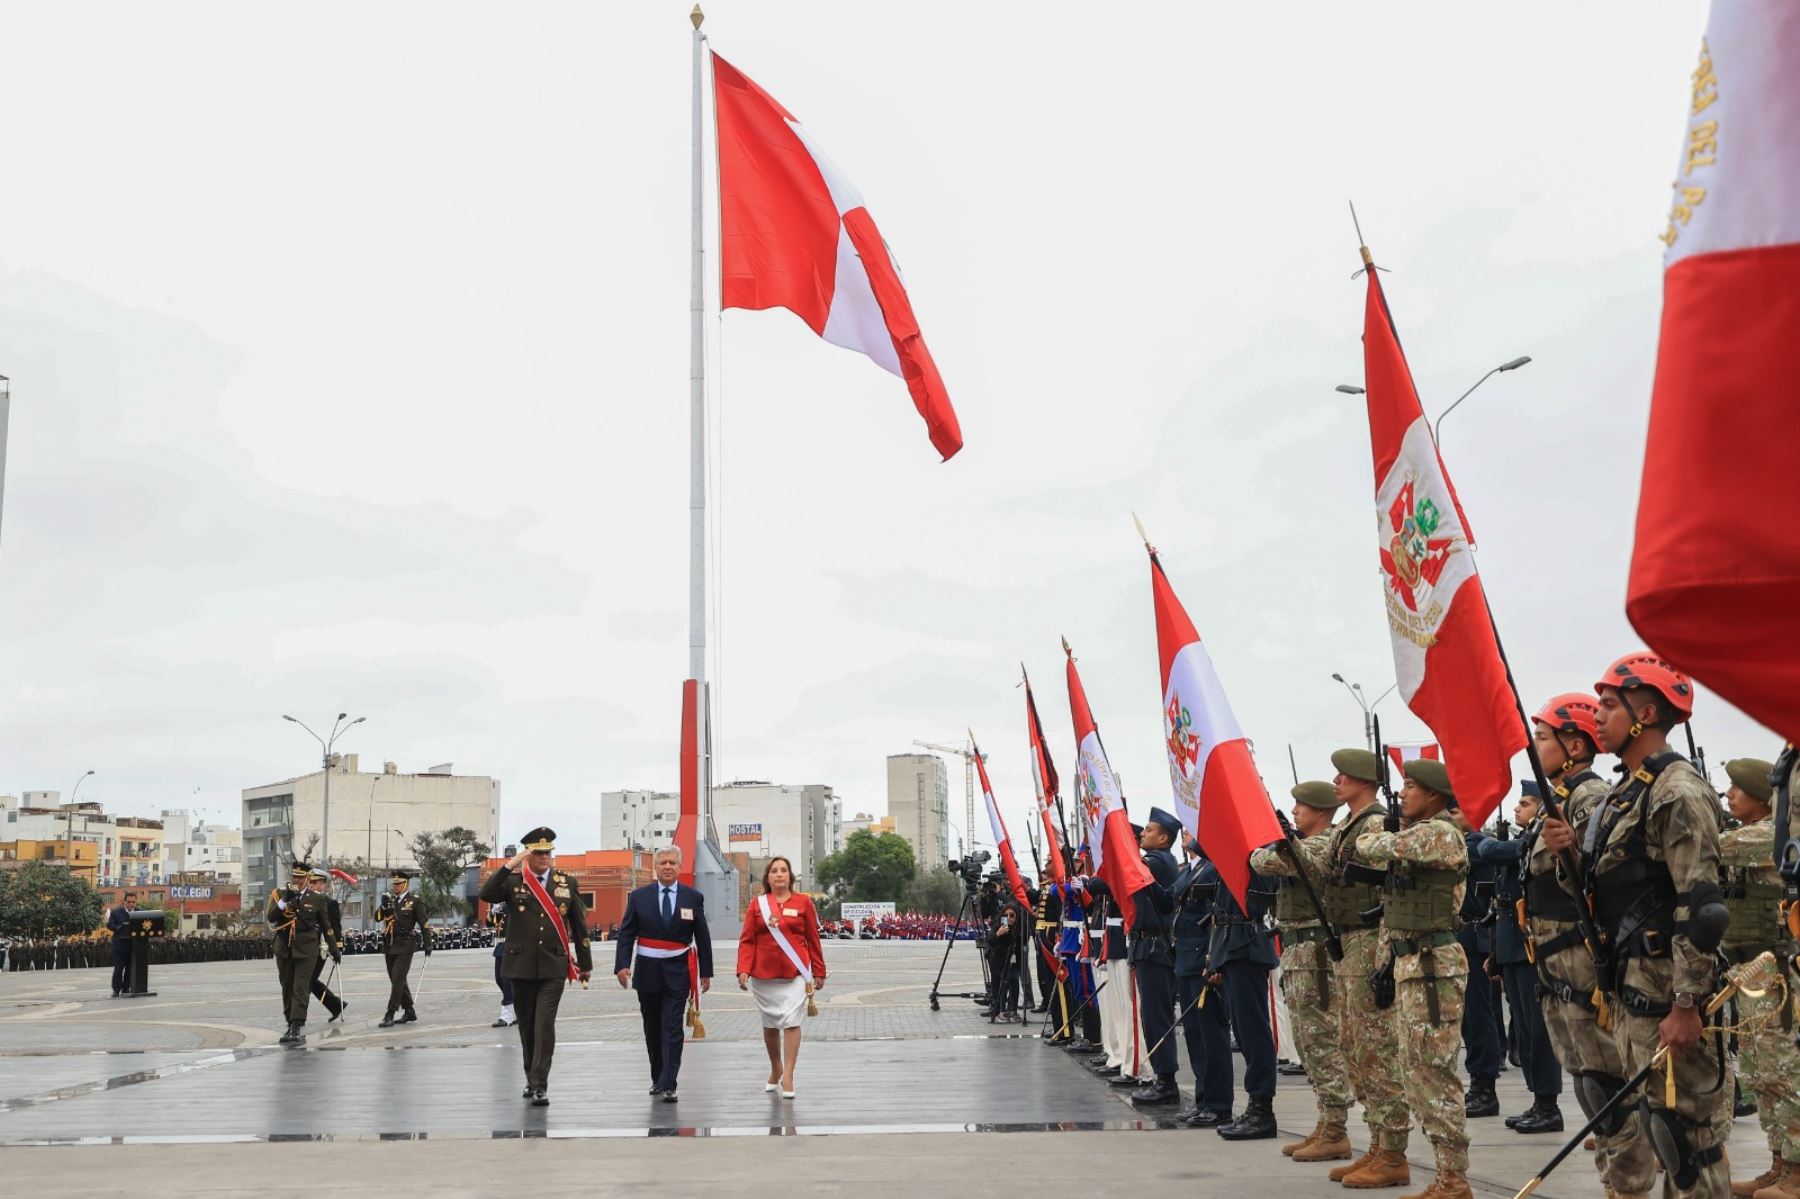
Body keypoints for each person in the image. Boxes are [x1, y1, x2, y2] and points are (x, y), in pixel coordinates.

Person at [1540, 654, 1729, 1199]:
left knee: (1687, 1139)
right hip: (1632, 990)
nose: (1596, 716)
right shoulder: (1628, 793)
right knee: (1655, 1122)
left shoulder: (1676, 790)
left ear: (1645, 714)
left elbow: (1702, 906)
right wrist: (1566, 854)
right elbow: (1608, 889)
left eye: (1608, 705)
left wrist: (1687, 1003)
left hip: (1669, 991)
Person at [1356, 758, 1473, 1199]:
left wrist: (1380, 829)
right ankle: (1446, 1176)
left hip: (1432, 969)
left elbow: (1370, 848)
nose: (1403, 793)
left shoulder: (1440, 833)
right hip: (1412, 966)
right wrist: (1385, 962)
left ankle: (1454, 1179)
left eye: (1410, 786)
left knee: (1433, 1073)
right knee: (1415, 1069)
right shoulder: (1416, 836)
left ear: (1435, 796)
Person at [1315, 748, 1413, 1189]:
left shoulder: (1374, 824)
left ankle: (1392, 1151)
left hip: (1368, 940)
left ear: (1361, 780)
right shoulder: (1349, 825)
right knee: (1356, 1046)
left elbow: (1386, 885)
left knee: (1375, 1047)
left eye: (1343, 775)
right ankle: (1377, 1143)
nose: (1336, 781)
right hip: (1348, 941)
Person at [1253, 780, 1355, 1161]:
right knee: (1309, 1042)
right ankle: (1327, 1122)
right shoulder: (1303, 843)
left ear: (1320, 811)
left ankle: (1336, 1129)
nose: (1295, 812)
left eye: (1301, 807)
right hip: (1299, 949)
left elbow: (1264, 861)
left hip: (1315, 952)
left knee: (1320, 1040)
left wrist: (1267, 842)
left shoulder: (1322, 844)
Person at [1716, 756, 1800, 1199]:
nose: (1728, 794)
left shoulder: (1769, 835)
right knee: (1761, 1074)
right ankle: (1779, 1166)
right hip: (1751, 969)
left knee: (1784, 1072)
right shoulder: (1747, 834)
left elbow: (1713, 845)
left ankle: (1797, 1173)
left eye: (1736, 788)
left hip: (1776, 970)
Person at [479, 827, 593, 1105]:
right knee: (527, 1027)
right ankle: (531, 1077)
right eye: (538, 853)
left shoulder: (566, 883)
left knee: (544, 1025)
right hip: (520, 965)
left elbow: (579, 925)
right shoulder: (513, 881)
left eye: (547, 852)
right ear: (529, 854)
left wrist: (585, 964)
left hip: (554, 964)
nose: (544, 857)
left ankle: (540, 1083)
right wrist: (510, 864)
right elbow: (487, 893)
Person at [1472, 784, 1562, 1134]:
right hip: (1511, 943)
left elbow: (1493, 850)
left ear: (1541, 807)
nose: (1517, 809)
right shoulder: (1525, 838)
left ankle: (1548, 1104)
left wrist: (1486, 843)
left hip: (1530, 946)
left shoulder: (1537, 837)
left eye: (1524, 803)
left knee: (1538, 1029)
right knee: (1524, 1029)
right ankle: (1538, 1099)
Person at [615, 845, 714, 1102]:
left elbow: (702, 937)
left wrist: (706, 972)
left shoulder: (693, 898)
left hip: (678, 972)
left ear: (680, 867)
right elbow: (626, 934)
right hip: (647, 972)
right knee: (652, 1028)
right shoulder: (638, 897)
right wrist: (622, 964)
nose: (668, 867)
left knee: (672, 1027)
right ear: (655, 868)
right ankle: (657, 1078)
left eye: (672, 863)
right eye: (663, 863)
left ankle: (670, 1082)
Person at [736, 856, 826, 1098]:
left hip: (795, 973)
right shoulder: (758, 904)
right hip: (763, 975)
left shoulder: (804, 903)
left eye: (783, 870)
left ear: (790, 876)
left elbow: (812, 939)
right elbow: (747, 940)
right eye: (774, 871)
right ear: (768, 877)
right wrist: (743, 969)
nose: (779, 874)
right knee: (770, 1024)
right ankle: (776, 1067)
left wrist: (819, 970)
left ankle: (789, 1075)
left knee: (792, 1021)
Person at [1124, 808, 1182, 1106]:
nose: (1141, 834)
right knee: (1153, 1015)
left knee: (1156, 1017)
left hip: (1155, 948)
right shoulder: (1158, 860)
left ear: (1163, 838)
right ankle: (1163, 1077)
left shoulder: (1157, 860)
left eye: (1147, 830)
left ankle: (1166, 1080)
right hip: (1148, 947)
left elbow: (1128, 867)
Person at [1173, 844, 1232, 1128]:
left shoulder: (1214, 866)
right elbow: (1173, 898)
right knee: (1196, 1037)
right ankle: (1204, 1100)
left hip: (1203, 961)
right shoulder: (1194, 868)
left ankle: (1219, 1105)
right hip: (1186, 959)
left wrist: (1215, 960)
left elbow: (1216, 917)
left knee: (1212, 1036)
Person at [267, 859, 330, 1046]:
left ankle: (296, 1024)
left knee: (300, 987)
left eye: (301, 877)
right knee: (287, 986)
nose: (297, 880)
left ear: (307, 878)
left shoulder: (317, 898)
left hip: (306, 948)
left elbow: (326, 926)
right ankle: (290, 1022)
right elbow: (271, 918)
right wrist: (285, 899)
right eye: (294, 876)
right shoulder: (279, 894)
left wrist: (335, 949)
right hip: (284, 947)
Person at [377, 869, 431, 1028]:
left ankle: (390, 1013)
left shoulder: (415, 901)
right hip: (389, 944)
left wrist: (428, 943)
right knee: (396, 979)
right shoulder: (390, 900)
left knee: (398, 979)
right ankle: (409, 1010)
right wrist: (383, 906)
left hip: (406, 944)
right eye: (394, 884)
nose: (396, 886)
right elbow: (378, 917)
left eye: (399, 884)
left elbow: (424, 924)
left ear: (406, 884)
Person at [304, 868, 347, 1022]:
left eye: (318, 883)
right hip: (304, 947)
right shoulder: (303, 900)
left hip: (321, 948)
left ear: (323, 885)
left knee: (306, 981)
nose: (315, 885)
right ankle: (335, 1005)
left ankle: (298, 1017)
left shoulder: (330, 903)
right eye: (312, 882)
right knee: (309, 981)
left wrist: (338, 949)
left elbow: (336, 928)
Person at [107, 893, 138, 997]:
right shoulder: (116, 912)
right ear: (124, 901)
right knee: (119, 969)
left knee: (130, 968)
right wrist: (119, 928)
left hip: (134, 946)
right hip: (120, 945)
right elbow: (110, 925)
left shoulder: (140, 912)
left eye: (133, 902)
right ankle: (116, 989)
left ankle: (126, 988)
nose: (131, 904)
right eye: (129, 902)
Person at [489, 904, 516, 1028]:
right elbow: (490, 924)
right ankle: (520, 1010)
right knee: (499, 979)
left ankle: (507, 1017)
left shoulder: (515, 905)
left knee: (507, 981)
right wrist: (492, 912)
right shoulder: (503, 908)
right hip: (500, 947)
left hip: (512, 947)